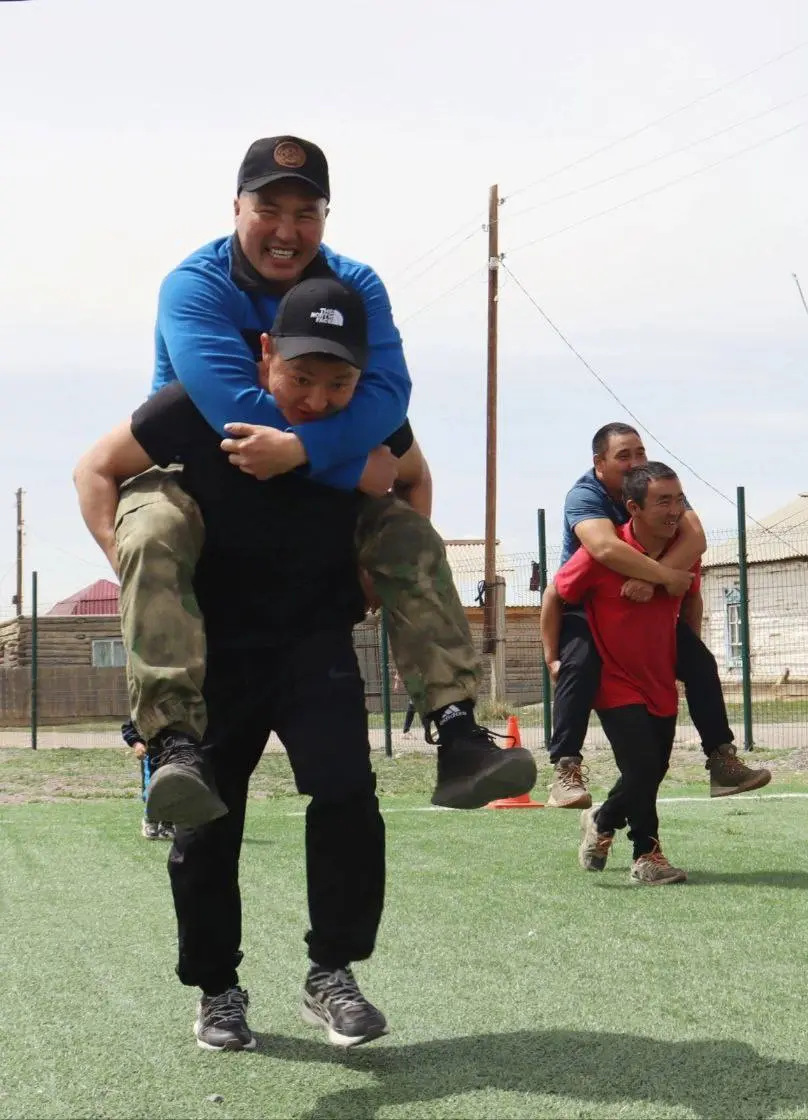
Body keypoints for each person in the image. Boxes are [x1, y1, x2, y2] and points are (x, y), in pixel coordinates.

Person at [117, 134, 530, 826]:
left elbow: (389, 398)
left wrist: (319, 473)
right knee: (151, 528)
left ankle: (457, 729)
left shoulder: (356, 286)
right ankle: (172, 742)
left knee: (407, 534)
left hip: (312, 513)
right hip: (207, 485)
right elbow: (233, 411)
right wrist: (350, 463)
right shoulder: (195, 286)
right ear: (236, 207)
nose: (287, 231)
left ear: (326, 217)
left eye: (306, 213)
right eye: (268, 209)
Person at [73, 277, 442, 1050]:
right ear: (266, 352)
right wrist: (137, 573)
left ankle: (331, 974)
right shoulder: (196, 406)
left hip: (314, 640)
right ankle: (217, 990)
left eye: (338, 382)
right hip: (216, 652)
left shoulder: (367, 421)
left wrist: (371, 575)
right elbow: (94, 470)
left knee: (347, 797)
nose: (317, 398)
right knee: (206, 819)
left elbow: (414, 478)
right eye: (301, 376)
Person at [545, 423, 770, 809]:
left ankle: (721, 759)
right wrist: (664, 576)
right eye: (623, 456)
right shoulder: (585, 495)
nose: (635, 462)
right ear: (599, 463)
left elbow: (696, 538)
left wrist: (657, 588)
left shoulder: (657, 488)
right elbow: (604, 548)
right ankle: (566, 768)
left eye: (640, 452)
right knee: (578, 666)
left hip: (647, 607)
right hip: (590, 603)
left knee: (700, 663)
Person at [542, 462, 701, 884]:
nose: (675, 510)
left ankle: (604, 818)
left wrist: (688, 655)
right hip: (615, 680)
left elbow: (692, 599)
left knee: (652, 770)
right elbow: (554, 595)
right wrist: (552, 656)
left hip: (659, 679)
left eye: (679, 500)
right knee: (643, 765)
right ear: (634, 507)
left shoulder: (682, 550)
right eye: (663, 501)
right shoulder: (604, 552)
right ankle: (647, 856)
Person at [123, 720, 174, 840]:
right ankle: (151, 821)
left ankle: (168, 822)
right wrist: (137, 743)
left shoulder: (178, 709)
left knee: (173, 786)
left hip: (174, 753)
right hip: (151, 754)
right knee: (152, 788)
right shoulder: (142, 709)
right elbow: (129, 726)